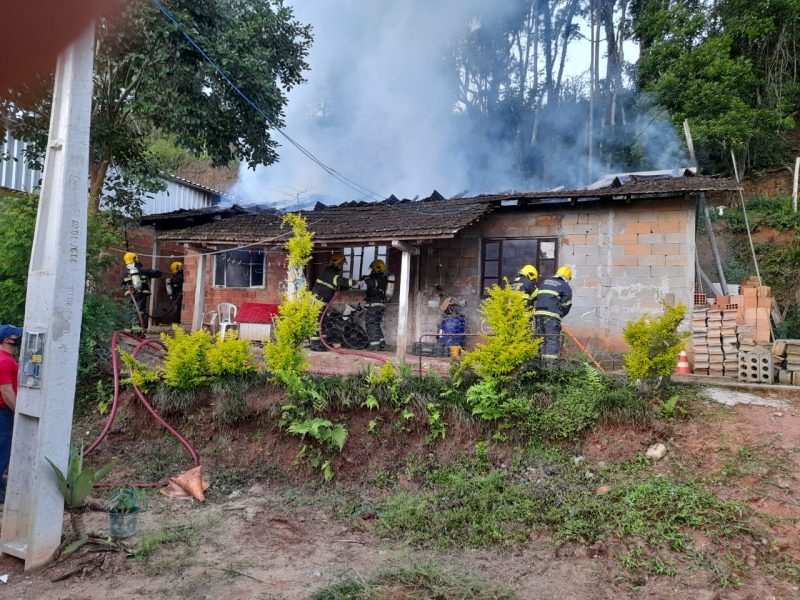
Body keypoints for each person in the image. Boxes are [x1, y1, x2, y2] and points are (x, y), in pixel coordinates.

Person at [309, 253, 357, 351]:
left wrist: (347, 286)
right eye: (342, 263)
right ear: (337, 263)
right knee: (317, 322)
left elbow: (338, 284)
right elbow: (339, 281)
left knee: (324, 322)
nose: (342, 266)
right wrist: (354, 282)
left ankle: (323, 343)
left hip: (322, 302)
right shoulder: (329, 271)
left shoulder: (332, 272)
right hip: (317, 301)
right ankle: (315, 344)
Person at [533, 266, 573, 367]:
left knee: (542, 339)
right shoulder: (565, 286)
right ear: (568, 277)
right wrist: (560, 315)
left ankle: (540, 365)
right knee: (552, 338)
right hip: (551, 315)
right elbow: (566, 304)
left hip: (538, 314)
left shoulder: (545, 282)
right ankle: (550, 368)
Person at [0, 324, 22, 504]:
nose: (21, 338)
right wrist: (20, 413)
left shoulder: (6, 358)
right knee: (3, 453)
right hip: (4, 414)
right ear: (8, 340)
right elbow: (7, 393)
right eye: (18, 336)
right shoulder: (5, 361)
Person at [121, 252, 161, 330]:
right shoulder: (142, 269)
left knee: (130, 311)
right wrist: (158, 270)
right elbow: (157, 274)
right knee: (139, 311)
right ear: (135, 258)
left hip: (129, 295)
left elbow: (122, 285)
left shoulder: (124, 272)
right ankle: (137, 331)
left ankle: (129, 330)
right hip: (141, 294)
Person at [363, 259, 394, 350]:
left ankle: (374, 345)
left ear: (377, 268)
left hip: (374, 304)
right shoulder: (384, 277)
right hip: (380, 304)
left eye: (373, 269)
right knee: (376, 324)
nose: (372, 271)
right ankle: (381, 343)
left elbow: (372, 284)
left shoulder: (377, 277)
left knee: (371, 324)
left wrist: (365, 278)